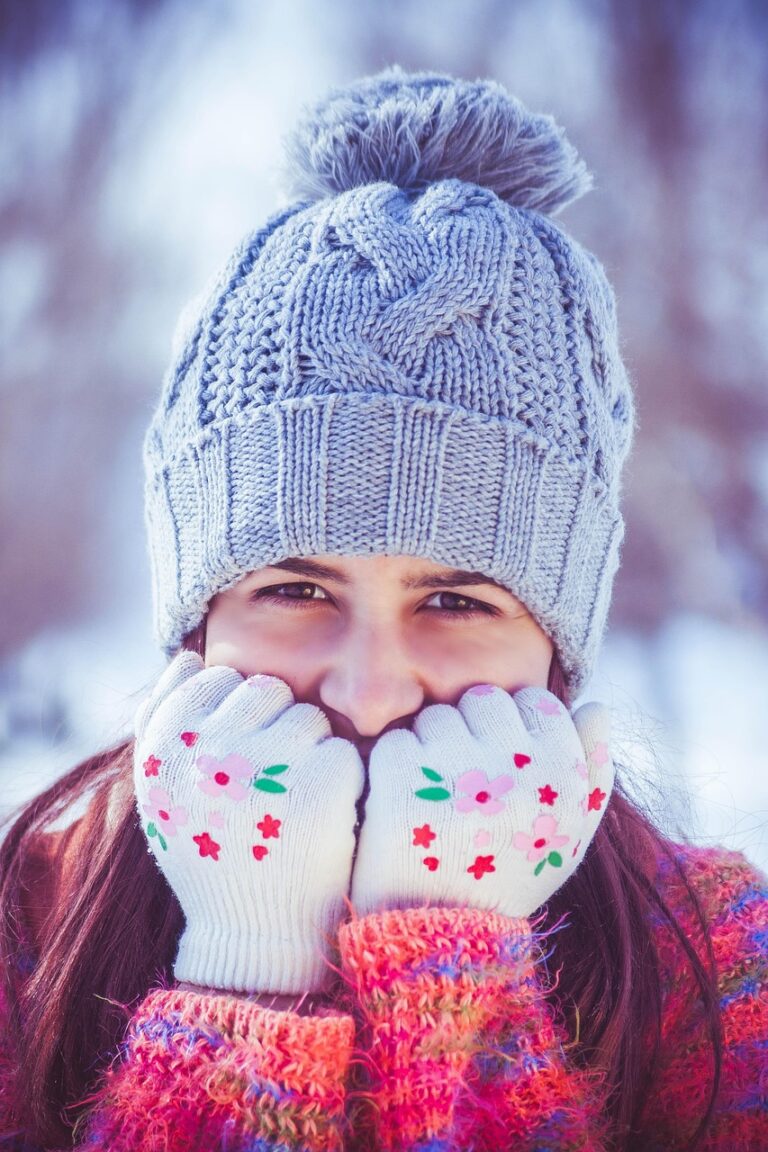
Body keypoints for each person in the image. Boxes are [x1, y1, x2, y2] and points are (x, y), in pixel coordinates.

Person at [0, 68, 765, 1152]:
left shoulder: (720, 972)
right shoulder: (22, 939)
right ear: (196, 624)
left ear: (558, 649)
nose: (368, 687)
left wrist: (450, 971)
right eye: (297, 588)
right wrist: (249, 970)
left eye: (456, 599)